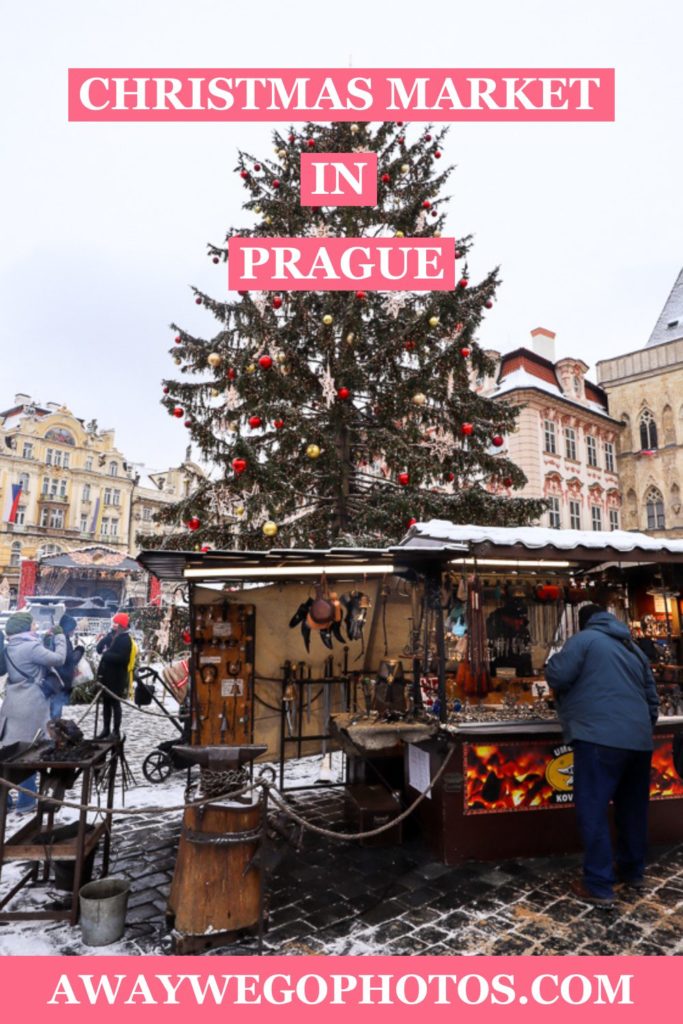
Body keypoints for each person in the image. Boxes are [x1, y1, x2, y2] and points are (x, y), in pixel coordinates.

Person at [545, 603, 659, 907]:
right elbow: (652, 699)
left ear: (583, 623)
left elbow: (557, 675)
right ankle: (632, 871)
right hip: (639, 741)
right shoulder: (633, 648)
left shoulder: (584, 640)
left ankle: (598, 884)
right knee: (632, 809)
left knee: (592, 809)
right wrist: (637, 728)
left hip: (598, 738)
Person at [0, 611, 67, 813]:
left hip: (12, 702)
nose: (35, 627)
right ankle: (27, 800)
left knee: (10, 751)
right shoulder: (31, 646)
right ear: (25, 627)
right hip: (31, 705)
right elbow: (59, 659)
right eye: (33, 625)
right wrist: (60, 637)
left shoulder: (10, 646)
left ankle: (6, 799)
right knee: (29, 752)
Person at [96, 612, 133, 738]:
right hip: (106, 676)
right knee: (106, 704)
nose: (113, 625)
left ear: (122, 625)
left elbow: (123, 659)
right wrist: (104, 639)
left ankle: (115, 731)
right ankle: (106, 729)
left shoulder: (125, 640)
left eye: (116, 623)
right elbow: (99, 649)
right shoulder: (112, 636)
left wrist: (107, 654)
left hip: (116, 678)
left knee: (115, 704)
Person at [49, 614, 85, 719]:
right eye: (73, 629)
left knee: (54, 708)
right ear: (68, 628)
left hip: (57, 678)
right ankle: (53, 730)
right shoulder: (63, 640)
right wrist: (79, 650)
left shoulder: (56, 638)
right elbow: (70, 659)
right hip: (62, 679)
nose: (74, 631)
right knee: (56, 710)